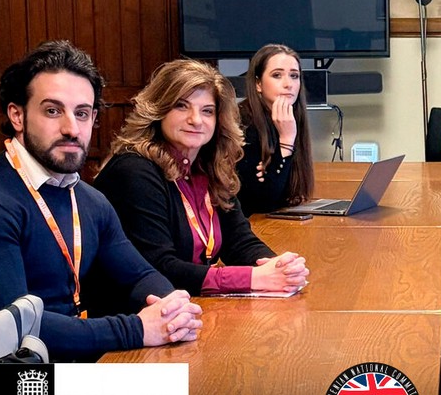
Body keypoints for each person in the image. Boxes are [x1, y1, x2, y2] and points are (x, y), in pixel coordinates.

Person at [0, 41, 202, 361]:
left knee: (196, 383)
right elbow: (14, 331)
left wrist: (170, 309)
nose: (71, 128)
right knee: (173, 393)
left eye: (81, 113)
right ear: (17, 115)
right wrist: (137, 329)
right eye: (52, 111)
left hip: (65, 362)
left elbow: (139, 276)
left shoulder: (89, 200)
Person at [94, 59, 309, 296]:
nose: (196, 120)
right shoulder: (133, 171)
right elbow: (159, 267)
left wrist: (277, 266)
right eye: (181, 106)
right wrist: (252, 278)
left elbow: (238, 241)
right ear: (159, 110)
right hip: (136, 312)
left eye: (207, 111)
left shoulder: (208, 167)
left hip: (188, 305)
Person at [236, 43, 314, 216]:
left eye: (294, 76)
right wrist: (286, 140)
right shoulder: (242, 123)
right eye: (277, 75)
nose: (288, 84)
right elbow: (262, 202)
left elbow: (286, 196)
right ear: (258, 83)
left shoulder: (291, 118)